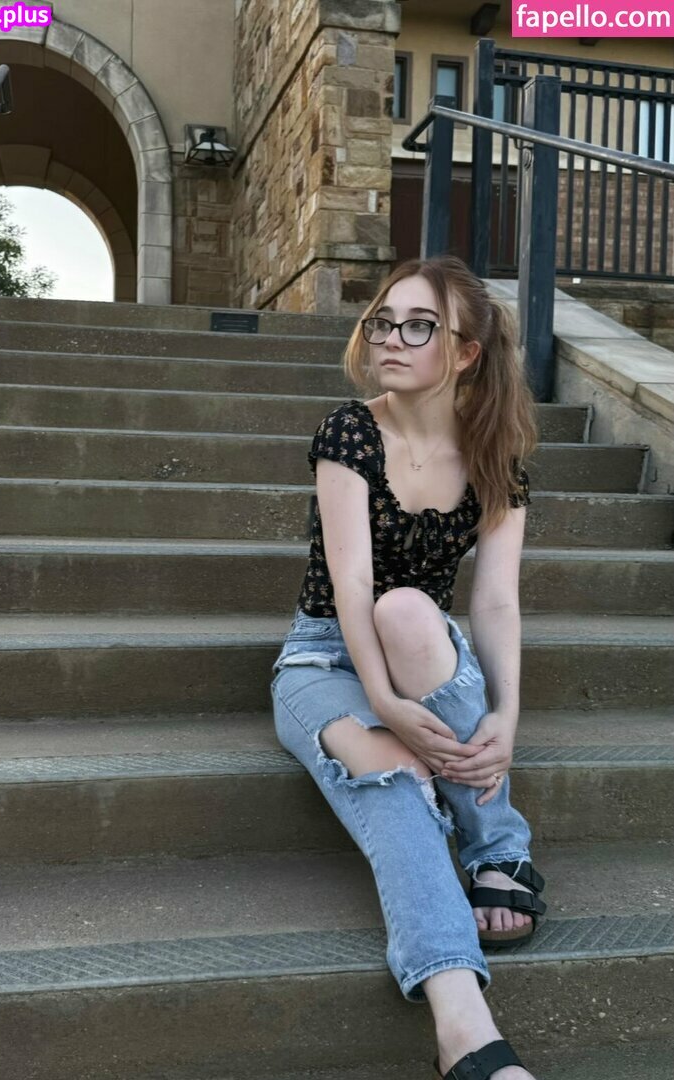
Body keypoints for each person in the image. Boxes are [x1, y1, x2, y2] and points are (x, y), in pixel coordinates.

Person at [270, 254, 547, 1080]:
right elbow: (350, 584)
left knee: (410, 612)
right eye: (381, 321)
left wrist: (506, 716)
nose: (389, 338)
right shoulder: (349, 432)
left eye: (418, 325)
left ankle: (495, 843)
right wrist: (384, 707)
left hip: (418, 648)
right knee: (390, 770)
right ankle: (463, 1027)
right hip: (322, 656)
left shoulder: (495, 456)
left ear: (464, 352)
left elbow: (494, 602)